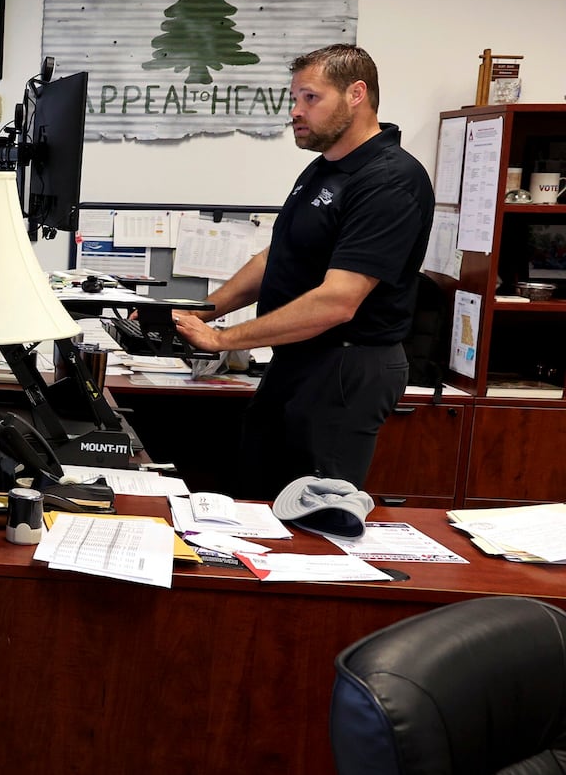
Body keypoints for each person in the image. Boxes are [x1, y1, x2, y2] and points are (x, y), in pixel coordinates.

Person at [172, 44, 434, 500]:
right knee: (260, 493)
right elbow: (277, 257)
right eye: (294, 99)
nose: (295, 112)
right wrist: (197, 312)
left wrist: (223, 339)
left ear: (357, 94)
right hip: (298, 362)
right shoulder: (324, 169)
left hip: (346, 367)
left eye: (309, 98)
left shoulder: (389, 180)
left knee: (314, 514)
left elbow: (338, 300)